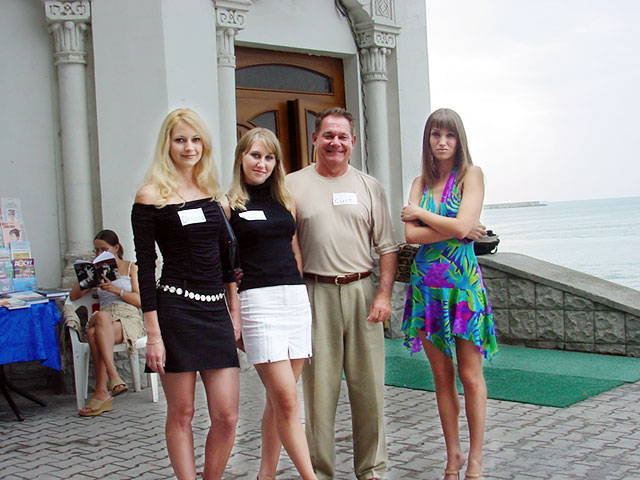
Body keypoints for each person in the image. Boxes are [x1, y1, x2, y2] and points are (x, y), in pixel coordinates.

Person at [286, 107, 398, 480]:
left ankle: (372, 470)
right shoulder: (291, 185)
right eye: (328, 135)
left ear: (352, 142)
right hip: (314, 294)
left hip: (363, 295)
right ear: (315, 139)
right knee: (319, 393)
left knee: (370, 390)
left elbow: (387, 247)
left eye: (342, 137)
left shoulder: (369, 186)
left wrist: (383, 295)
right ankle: (319, 472)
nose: (335, 142)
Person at [131, 108, 240, 480]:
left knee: (227, 416)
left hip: (215, 312)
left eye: (195, 140)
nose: (189, 147)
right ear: (167, 144)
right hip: (175, 311)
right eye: (180, 140)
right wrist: (153, 335)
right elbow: (146, 266)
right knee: (182, 413)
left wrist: (234, 313)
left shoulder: (215, 196)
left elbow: (228, 264)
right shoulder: (150, 196)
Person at [400, 108, 498, 480]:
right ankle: (453, 455)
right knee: (441, 377)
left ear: (459, 140)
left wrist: (425, 215)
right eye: (435, 134)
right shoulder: (419, 183)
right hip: (427, 288)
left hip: (463, 289)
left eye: (449, 135)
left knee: (470, 376)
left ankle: (476, 458)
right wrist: (458, 227)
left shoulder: (471, 175)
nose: (442, 142)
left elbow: (458, 226)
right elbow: (411, 236)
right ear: (427, 139)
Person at [228, 128, 318, 480]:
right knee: (287, 400)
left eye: (269, 157)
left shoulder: (285, 201)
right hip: (257, 302)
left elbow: (294, 251)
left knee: (278, 400)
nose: (262, 164)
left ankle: (265, 475)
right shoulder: (227, 205)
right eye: (255, 155)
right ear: (241, 157)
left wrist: (300, 289)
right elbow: (223, 266)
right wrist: (233, 315)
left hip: (294, 300)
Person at [69, 229, 144, 417]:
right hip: (104, 315)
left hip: (127, 317)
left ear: (116, 247)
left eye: (103, 250)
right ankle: (114, 376)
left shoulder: (130, 267)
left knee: (93, 334)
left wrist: (116, 290)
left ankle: (101, 393)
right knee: (102, 317)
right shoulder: (96, 271)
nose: (99, 254)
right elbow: (73, 296)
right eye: (96, 250)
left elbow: (140, 300)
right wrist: (88, 278)